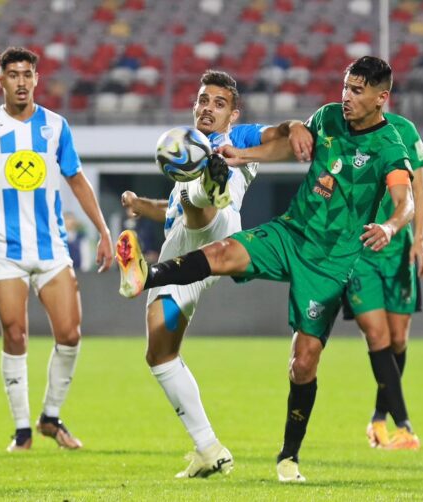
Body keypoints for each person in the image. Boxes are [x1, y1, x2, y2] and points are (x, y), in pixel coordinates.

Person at [116, 56, 415, 482]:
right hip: (288, 233)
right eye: (345, 87)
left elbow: (406, 201)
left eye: (356, 90)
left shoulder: (389, 146)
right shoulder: (329, 117)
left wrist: (389, 224)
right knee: (179, 319)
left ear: (381, 97)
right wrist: (143, 204)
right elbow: (292, 143)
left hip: (327, 260)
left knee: (304, 362)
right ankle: (152, 272)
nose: (345, 96)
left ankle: (288, 456)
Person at [116, 69, 312, 479]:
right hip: (184, 247)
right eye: (203, 101)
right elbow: (172, 216)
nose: (208, 108)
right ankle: (209, 449)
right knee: (160, 352)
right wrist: (140, 205)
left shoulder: (235, 140)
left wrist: (294, 126)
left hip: (217, 228)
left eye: (218, 104)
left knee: (196, 198)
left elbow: (276, 133)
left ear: (232, 115)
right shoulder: (187, 151)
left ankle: (211, 185)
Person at [0, 47, 113, 452]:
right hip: (4, 248)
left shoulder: (55, 126)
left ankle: (51, 417)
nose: (21, 81)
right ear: (1, 81)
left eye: (28, 74)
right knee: (15, 333)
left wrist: (104, 231)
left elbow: (77, 180)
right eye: (13, 74)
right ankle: (22, 429)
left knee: (71, 334)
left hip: (52, 247)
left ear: (37, 80)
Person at [343, 112, 423, 450]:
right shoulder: (340, 131)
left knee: (398, 337)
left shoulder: (405, 130)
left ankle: (379, 418)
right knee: (376, 334)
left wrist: (420, 238)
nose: (351, 97)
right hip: (359, 252)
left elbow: (418, 190)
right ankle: (404, 425)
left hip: (398, 250)